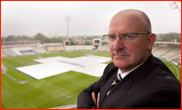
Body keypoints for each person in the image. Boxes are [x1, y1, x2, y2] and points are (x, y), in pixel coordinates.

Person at [77, 9, 181, 109]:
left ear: (149, 41)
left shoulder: (163, 95)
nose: (116, 47)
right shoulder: (112, 68)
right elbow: (85, 94)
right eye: (112, 37)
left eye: (128, 36)